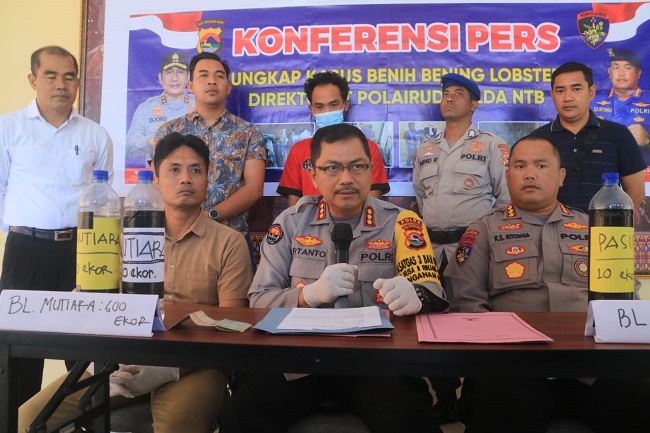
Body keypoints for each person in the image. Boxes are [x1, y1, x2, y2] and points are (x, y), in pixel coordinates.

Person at [219, 123, 449, 433]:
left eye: (357, 166)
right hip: (297, 363)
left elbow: (430, 289)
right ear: (313, 175)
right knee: (239, 417)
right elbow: (259, 301)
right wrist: (308, 296)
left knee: (411, 419)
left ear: (371, 170)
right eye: (332, 168)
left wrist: (416, 295)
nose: (346, 178)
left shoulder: (402, 222)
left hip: (375, 364)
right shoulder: (290, 223)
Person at [18, 132, 253, 433]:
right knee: (28, 418)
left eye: (196, 170)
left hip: (195, 363)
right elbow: (106, 307)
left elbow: (230, 327)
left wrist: (171, 368)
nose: (185, 178)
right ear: (155, 179)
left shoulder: (229, 243)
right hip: (122, 359)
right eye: (174, 169)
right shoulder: (122, 237)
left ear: (208, 181)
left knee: (177, 425)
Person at [444, 135, 650, 433]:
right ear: (508, 175)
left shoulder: (593, 228)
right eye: (520, 166)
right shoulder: (484, 230)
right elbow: (466, 303)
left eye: (541, 165)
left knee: (638, 397)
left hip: (591, 368)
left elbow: (625, 295)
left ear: (561, 176)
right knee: (502, 403)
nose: (530, 173)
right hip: (515, 368)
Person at [0, 45, 113, 405]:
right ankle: (17, 424)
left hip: (81, 253)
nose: (61, 84)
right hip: (25, 252)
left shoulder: (96, 135)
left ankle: (83, 423)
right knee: (18, 354)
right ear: (33, 80)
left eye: (69, 76)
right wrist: (20, 229)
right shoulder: (8, 128)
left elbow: (103, 200)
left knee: (85, 351)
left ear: (78, 82)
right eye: (50, 75)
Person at [412, 72, 510, 425]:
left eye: (458, 93)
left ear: (474, 104)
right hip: (429, 249)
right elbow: (420, 196)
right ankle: (445, 396)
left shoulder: (491, 146)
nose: (449, 98)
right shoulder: (425, 149)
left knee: (473, 318)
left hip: (471, 247)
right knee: (428, 320)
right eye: (445, 93)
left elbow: (506, 200)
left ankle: (474, 396)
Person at [154, 52, 266, 266]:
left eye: (219, 76)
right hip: (178, 238)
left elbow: (254, 189)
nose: (212, 81)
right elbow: (157, 183)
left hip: (231, 238)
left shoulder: (248, 132)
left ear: (228, 87)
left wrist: (210, 216)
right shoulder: (168, 132)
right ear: (190, 86)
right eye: (203, 75)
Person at [531, 61, 646, 213]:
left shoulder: (618, 135)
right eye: (560, 91)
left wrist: (611, 221)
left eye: (576, 89)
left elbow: (636, 192)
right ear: (552, 95)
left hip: (602, 226)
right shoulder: (536, 140)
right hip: (552, 226)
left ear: (591, 92)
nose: (567, 97)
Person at [277, 71, 389, 206]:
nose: (327, 111)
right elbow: (294, 208)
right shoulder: (298, 151)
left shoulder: (368, 148)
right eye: (319, 106)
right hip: (311, 220)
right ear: (311, 109)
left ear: (345, 105)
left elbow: (374, 204)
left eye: (333, 105)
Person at [125, 51, 195, 160]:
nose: (175, 78)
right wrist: (149, 140)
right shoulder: (146, 108)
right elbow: (128, 147)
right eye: (169, 72)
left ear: (188, 76)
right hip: (157, 170)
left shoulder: (201, 105)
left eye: (180, 72)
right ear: (160, 78)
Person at [591, 47, 650, 163]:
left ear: (638, 73)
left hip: (642, 170)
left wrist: (647, 141)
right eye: (616, 67)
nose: (621, 73)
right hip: (602, 168)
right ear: (609, 72)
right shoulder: (592, 101)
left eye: (627, 68)